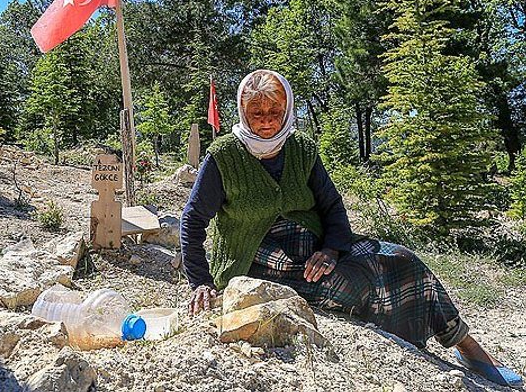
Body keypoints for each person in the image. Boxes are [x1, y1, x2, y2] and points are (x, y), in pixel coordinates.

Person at [180, 69, 523, 388]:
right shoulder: (223, 156)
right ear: (242, 111)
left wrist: (330, 250)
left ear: (287, 110)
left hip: (315, 247)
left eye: (275, 112)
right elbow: (193, 221)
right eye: (257, 113)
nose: (267, 121)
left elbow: (331, 206)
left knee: (401, 258)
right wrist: (200, 281)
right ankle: (410, 340)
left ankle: (465, 345)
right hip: (260, 260)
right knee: (354, 285)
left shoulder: (300, 148)